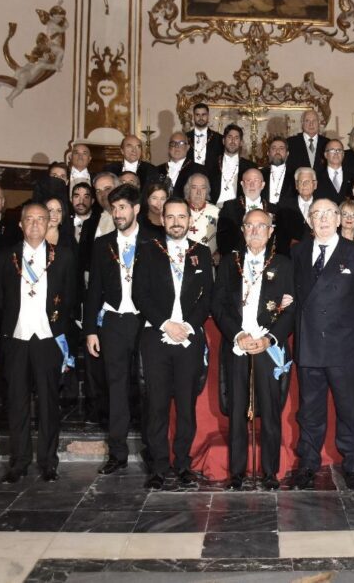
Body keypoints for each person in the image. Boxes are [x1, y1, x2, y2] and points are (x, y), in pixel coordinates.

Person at [288, 198, 354, 491]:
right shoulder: (298, 252)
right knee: (309, 411)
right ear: (309, 220)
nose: (323, 219)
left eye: (329, 214)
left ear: (339, 219)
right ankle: (308, 463)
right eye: (317, 214)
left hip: (345, 347)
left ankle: (352, 464)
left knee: (349, 409)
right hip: (309, 345)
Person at [133, 197, 215, 490]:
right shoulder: (148, 250)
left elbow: (207, 297)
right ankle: (158, 467)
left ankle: (182, 464)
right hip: (156, 336)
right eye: (171, 217)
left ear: (190, 221)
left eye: (182, 217)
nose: (176, 222)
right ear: (162, 219)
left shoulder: (201, 252)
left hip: (189, 339)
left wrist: (188, 326)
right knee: (156, 406)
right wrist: (166, 324)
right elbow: (139, 294)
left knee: (185, 406)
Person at [0, 201, 78, 484]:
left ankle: (48, 462)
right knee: (16, 403)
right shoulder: (5, 256)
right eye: (29, 219)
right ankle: (18, 462)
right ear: (20, 224)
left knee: (49, 404)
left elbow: (70, 297)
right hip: (16, 339)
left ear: (49, 223)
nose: (34, 224)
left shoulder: (63, 256)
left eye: (40, 219)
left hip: (48, 340)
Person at [212, 208, 295, 490]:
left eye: (262, 226)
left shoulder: (284, 264)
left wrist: (270, 339)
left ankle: (270, 471)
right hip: (238, 344)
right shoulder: (229, 262)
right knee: (237, 411)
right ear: (243, 230)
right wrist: (237, 335)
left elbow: (291, 310)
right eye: (250, 226)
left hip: (267, 347)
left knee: (270, 411)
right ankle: (237, 472)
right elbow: (218, 304)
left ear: (271, 232)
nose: (256, 231)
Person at [83, 184, 148, 476]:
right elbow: (93, 289)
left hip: (146, 322)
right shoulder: (102, 244)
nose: (118, 213)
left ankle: (153, 451)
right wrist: (90, 330)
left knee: (149, 388)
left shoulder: (153, 241)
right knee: (116, 388)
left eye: (123, 207)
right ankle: (117, 453)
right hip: (113, 323)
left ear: (136, 209)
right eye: (114, 208)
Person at [216, 168, 271, 257]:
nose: (252, 184)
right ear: (242, 184)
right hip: (237, 257)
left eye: (256, 181)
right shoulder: (230, 207)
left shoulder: (273, 209)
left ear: (262, 185)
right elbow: (223, 238)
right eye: (248, 180)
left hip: (267, 258)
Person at [210, 124, 256, 206]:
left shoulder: (250, 167)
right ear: (223, 141)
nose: (233, 141)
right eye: (229, 137)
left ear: (241, 142)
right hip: (214, 208)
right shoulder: (212, 163)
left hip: (238, 209)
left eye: (236, 138)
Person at [275, 167, 317, 253]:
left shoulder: (324, 205)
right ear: (296, 185)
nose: (304, 185)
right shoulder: (283, 206)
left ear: (315, 184)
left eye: (308, 181)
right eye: (300, 182)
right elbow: (279, 238)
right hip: (291, 255)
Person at [184, 173, 220, 257]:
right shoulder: (180, 209)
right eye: (194, 187)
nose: (198, 192)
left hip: (209, 258)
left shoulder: (216, 212)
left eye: (203, 188)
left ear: (207, 190)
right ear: (188, 190)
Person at [158, 131, 202, 198]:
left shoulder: (198, 170)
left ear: (188, 147)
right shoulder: (158, 170)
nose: (177, 146)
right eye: (173, 143)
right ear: (169, 148)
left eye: (181, 143)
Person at [287, 108, 329, 176]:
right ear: (302, 123)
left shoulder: (327, 143)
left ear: (319, 123)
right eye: (307, 121)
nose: (311, 124)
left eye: (314, 121)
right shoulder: (290, 143)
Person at [186, 102, 223, 169]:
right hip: (190, 174)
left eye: (203, 114)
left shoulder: (218, 138)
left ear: (208, 116)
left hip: (211, 175)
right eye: (197, 115)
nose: (200, 118)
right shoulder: (185, 137)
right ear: (193, 116)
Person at [315, 138, 352, 204]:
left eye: (339, 150)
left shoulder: (352, 178)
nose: (336, 153)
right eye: (332, 150)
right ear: (325, 155)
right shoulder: (316, 178)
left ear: (343, 154)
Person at [262, 136, 295, 210]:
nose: (277, 151)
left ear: (287, 153)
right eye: (273, 148)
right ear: (268, 153)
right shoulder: (260, 174)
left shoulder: (295, 175)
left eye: (281, 148)